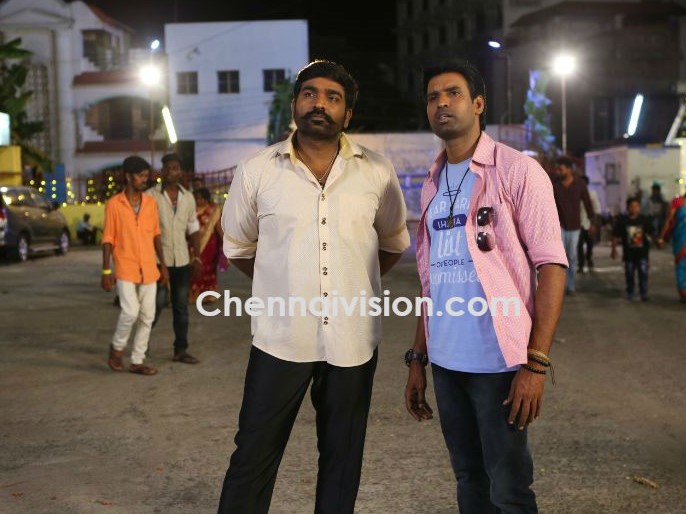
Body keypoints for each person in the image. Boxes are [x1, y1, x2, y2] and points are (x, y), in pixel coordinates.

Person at [217, 60, 410, 513]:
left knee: (343, 459)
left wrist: (351, 284)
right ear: (295, 105)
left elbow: (392, 243)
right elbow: (239, 248)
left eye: (332, 97)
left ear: (348, 114)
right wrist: (282, 286)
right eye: (310, 94)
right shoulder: (257, 170)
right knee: (253, 456)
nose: (319, 103)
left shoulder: (377, 172)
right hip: (280, 338)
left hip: (353, 341)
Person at [404, 61, 567, 514]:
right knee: (468, 479)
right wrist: (418, 359)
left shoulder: (517, 171)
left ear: (478, 104)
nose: (441, 103)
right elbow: (430, 281)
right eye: (433, 97)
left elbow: (552, 266)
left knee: (509, 490)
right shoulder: (431, 184)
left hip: (499, 363)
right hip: (446, 363)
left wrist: (535, 363)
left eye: (453, 93)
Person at [101, 156, 169, 376]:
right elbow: (108, 238)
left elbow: (156, 234)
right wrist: (106, 270)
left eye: (146, 176)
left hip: (149, 266)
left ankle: (137, 361)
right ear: (128, 177)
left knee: (147, 315)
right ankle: (117, 348)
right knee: (130, 311)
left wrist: (163, 265)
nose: (144, 179)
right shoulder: (114, 204)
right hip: (125, 265)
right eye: (141, 176)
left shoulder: (150, 203)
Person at [148, 153, 202, 364]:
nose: (172, 171)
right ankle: (141, 346)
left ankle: (180, 350)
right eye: (168, 167)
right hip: (157, 260)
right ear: (162, 171)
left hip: (181, 260)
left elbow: (193, 228)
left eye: (176, 167)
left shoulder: (188, 197)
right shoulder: (150, 196)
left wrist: (197, 257)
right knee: (155, 305)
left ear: (180, 171)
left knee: (181, 307)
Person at [553, 156, 595, 294]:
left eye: (561, 169)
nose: (558, 172)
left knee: (572, 256)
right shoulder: (555, 185)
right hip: (559, 225)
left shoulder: (580, 184)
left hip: (575, 226)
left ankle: (570, 285)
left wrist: (592, 221)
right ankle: (560, 285)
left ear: (569, 170)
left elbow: (588, 203)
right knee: (559, 257)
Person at [611, 197, 653, 301]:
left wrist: (659, 241)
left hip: (642, 253)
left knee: (643, 273)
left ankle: (643, 293)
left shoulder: (644, 220)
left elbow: (651, 232)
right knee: (629, 273)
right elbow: (615, 235)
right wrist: (613, 249)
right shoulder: (623, 221)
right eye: (632, 206)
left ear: (639, 207)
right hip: (629, 254)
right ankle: (630, 291)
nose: (634, 208)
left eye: (636, 206)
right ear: (628, 207)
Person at [189, 187, 223, 304]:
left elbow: (218, 227)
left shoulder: (213, 210)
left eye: (201, 198)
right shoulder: (190, 210)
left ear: (206, 199)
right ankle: (194, 294)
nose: (198, 201)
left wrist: (225, 241)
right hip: (193, 243)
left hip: (209, 244)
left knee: (208, 269)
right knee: (194, 268)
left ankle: (208, 295)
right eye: (196, 198)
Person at [658, 192, 686, 302]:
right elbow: (669, 220)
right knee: (681, 264)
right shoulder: (677, 201)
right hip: (680, 238)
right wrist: (661, 237)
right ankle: (683, 290)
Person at [577, 175, 601, 273]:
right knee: (579, 245)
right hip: (578, 225)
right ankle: (581, 264)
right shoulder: (576, 195)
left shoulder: (592, 194)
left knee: (590, 244)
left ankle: (589, 257)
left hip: (589, 224)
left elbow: (597, 209)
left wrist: (594, 224)